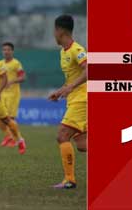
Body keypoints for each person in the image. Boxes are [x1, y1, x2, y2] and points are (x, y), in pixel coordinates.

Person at [48, 15, 87, 189]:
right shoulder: (63, 52)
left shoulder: (76, 50)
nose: (53, 34)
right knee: (82, 144)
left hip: (83, 99)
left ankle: (69, 180)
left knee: (62, 135)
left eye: (54, 30)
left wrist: (70, 87)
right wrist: (60, 90)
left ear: (60, 31)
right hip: (74, 99)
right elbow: (72, 77)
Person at [0, 42, 25, 147]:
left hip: (13, 94)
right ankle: (9, 136)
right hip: (2, 93)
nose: (6, 52)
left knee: (10, 118)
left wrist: (12, 81)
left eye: (8, 50)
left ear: (12, 51)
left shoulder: (16, 63)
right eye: (4, 50)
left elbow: (23, 77)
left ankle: (15, 139)